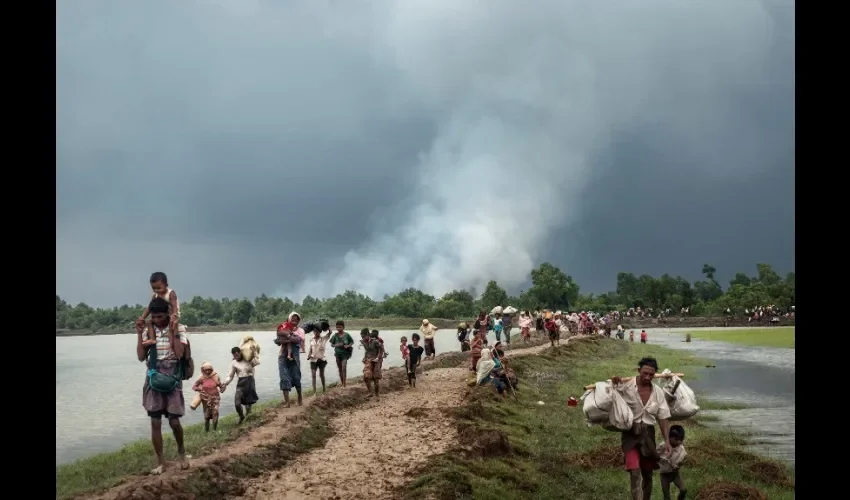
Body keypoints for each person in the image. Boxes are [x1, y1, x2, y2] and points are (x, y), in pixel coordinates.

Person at [136, 297, 189, 475]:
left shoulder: (179, 328)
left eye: (160, 317)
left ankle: (181, 452)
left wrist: (173, 331)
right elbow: (141, 357)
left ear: (167, 314)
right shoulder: (148, 330)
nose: (157, 320)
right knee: (155, 421)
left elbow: (180, 353)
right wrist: (139, 333)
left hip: (173, 374)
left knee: (174, 421)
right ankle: (161, 462)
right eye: (154, 317)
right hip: (154, 374)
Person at [611, 357, 672, 500]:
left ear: (655, 374)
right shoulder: (626, 386)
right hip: (630, 435)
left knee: (647, 473)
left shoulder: (658, 392)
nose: (647, 377)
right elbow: (611, 396)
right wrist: (615, 382)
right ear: (639, 371)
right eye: (644, 373)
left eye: (651, 375)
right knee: (634, 470)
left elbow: (663, 417)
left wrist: (667, 441)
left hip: (648, 436)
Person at [136, 272, 181, 346]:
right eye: (154, 288)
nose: (156, 290)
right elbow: (149, 308)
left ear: (166, 285)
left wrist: (174, 315)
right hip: (162, 316)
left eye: (159, 288)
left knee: (171, 324)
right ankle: (152, 339)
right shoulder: (155, 296)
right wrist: (142, 317)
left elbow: (174, 305)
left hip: (171, 315)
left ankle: (171, 338)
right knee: (149, 322)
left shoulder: (171, 293)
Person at [221, 346, 260, 423]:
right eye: (234, 355)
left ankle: (248, 418)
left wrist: (254, 352)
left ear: (240, 353)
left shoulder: (248, 359)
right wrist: (225, 383)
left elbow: (257, 362)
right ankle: (241, 416)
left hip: (250, 382)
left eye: (237, 354)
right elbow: (230, 376)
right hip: (241, 383)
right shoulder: (234, 363)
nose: (236, 356)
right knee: (237, 403)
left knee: (248, 404)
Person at [277, 313, 304, 407]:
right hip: (283, 356)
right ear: (289, 320)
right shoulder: (284, 328)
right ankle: (287, 402)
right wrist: (288, 337)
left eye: (296, 320)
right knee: (284, 377)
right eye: (292, 320)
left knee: (296, 377)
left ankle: (300, 397)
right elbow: (278, 340)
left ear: (299, 321)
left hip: (294, 357)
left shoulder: (300, 331)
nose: (294, 322)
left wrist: (287, 336)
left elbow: (297, 340)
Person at [657, 425, 688, 500]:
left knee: (683, 490)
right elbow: (657, 458)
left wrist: (680, 464)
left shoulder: (680, 448)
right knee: (667, 497)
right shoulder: (663, 446)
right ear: (669, 437)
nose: (679, 442)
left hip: (675, 474)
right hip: (664, 475)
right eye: (676, 439)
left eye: (681, 439)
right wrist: (667, 457)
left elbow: (683, 458)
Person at [191, 361, 223, 433]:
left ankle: (214, 430)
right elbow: (194, 386)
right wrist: (199, 389)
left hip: (215, 399)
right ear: (203, 370)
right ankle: (207, 431)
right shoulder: (201, 378)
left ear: (212, 369)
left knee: (215, 413)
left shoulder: (216, 376)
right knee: (207, 417)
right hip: (206, 400)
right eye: (206, 370)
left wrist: (222, 387)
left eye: (209, 370)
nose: (208, 371)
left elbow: (221, 387)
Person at [307, 323, 330, 394]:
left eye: (317, 331)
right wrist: (309, 356)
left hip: (321, 359)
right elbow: (310, 350)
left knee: (321, 375)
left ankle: (324, 389)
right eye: (314, 331)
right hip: (313, 360)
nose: (315, 333)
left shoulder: (323, 338)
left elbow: (330, 332)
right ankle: (314, 392)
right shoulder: (311, 340)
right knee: (313, 375)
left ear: (320, 332)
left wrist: (326, 325)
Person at [330, 321, 354, 387]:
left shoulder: (347, 335)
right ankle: (342, 382)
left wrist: (348, 346)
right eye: (337, 327)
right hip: (337, 354)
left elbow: (352, 342)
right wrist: (336, 345)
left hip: (345, 354)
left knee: (344, 368)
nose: (338, 328)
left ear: (343, 327)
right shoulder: (335, 335)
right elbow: (332, 344)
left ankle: (345, 383)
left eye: (340, 327)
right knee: (340, 369)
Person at [362, 329, 384, 398]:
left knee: (375, 378)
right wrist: (364, 357)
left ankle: (377, 394)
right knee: (366, 376)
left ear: (368, 335)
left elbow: (382, 348)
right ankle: (370, 392)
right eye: (362, 337)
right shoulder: (364, 342)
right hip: (369, 359)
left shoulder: (375, 341)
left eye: (363, 336)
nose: (362, 338)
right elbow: (367, 351)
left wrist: (378, 357)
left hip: (377, 360)